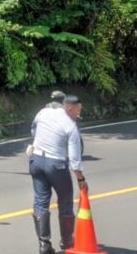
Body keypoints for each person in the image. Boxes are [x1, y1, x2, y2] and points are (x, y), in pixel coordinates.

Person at [28, 95, 87, 254]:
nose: (79, 114)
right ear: (69, 108)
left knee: (40, 202)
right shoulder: (70, 126)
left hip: (36, 161)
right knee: (66, 200)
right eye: (78, 111)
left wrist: (39, 142)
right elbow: (75, 159)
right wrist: (81, 179)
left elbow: (33, 129)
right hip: (56, 166)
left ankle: (44, 245)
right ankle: (67, 242)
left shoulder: (43, 112)